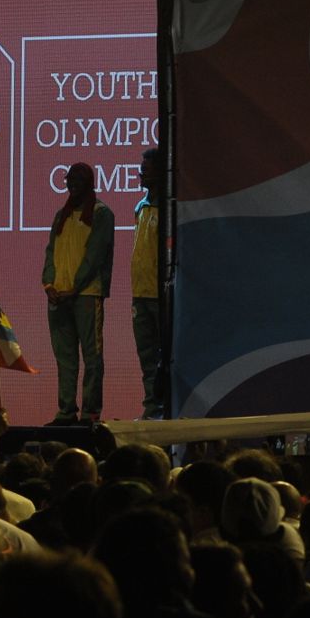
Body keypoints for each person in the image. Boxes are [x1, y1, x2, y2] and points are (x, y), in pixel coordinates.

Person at [43, 162, 114, 424]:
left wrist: (75, 287)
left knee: (92, 357)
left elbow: (95, 256)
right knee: (66, 358)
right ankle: (66, 411)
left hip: (86, 295)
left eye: (79, 179)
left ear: (90, 181)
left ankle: (90, 412)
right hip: (58, 295)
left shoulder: (101, 213)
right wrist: (48, 283)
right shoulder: (62, 214)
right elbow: (50, 251)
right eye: (69, 179)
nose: (73, 183)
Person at [132, 147, 166, 419]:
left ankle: (167, 410)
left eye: (147, 169)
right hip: (140, 294)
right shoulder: (141, 206)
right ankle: (151, 409)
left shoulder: (169, 207)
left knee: (164, 357)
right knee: (146, 359)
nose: (142, 173)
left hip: (161, 295)